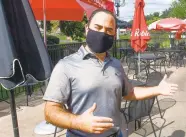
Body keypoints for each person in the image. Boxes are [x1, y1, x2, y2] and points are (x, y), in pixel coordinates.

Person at [43, 9, 178, 137]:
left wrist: (158, 89)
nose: (103, 33)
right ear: (86, 29)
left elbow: (129, 93)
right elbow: (50, 111)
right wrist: (78, 122)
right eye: (98, 27)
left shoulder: (116, 64)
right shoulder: (66, 65)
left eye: (109, 30)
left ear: (113, 34)